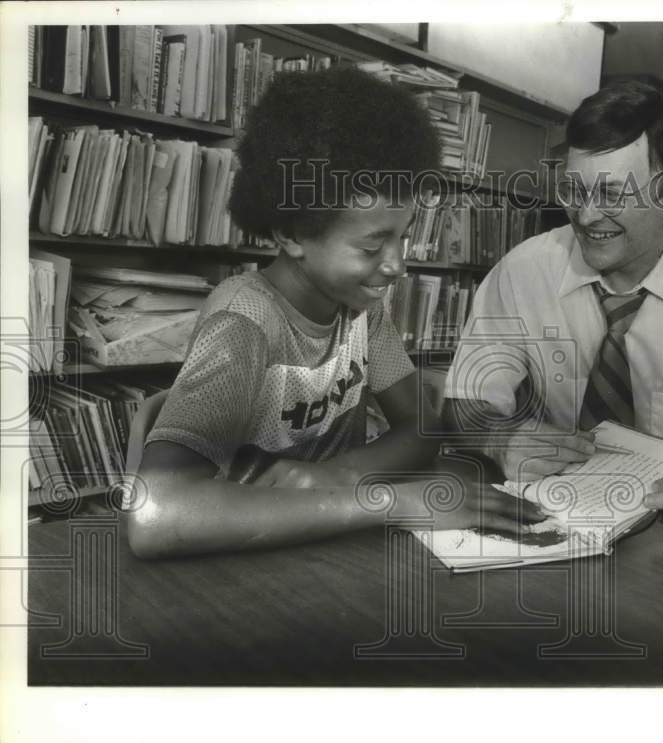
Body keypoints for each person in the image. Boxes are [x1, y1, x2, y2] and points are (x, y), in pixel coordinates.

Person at [129, 69, 541, 559]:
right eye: (371, 246)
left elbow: (421, 428)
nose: (397, 265)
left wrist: (337, 476)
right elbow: (156, 517)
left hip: (328, 548)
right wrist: (391, 502)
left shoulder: (361, 312)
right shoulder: (243, 322)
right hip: (240, 567)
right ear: (292, 234)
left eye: (403, 237)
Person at [443, 79, 663, 554]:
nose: (586, 216)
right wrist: (498, 438)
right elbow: (464, 401)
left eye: (612, 194)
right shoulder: (523, 271)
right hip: (558, 521)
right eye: (574, 190)